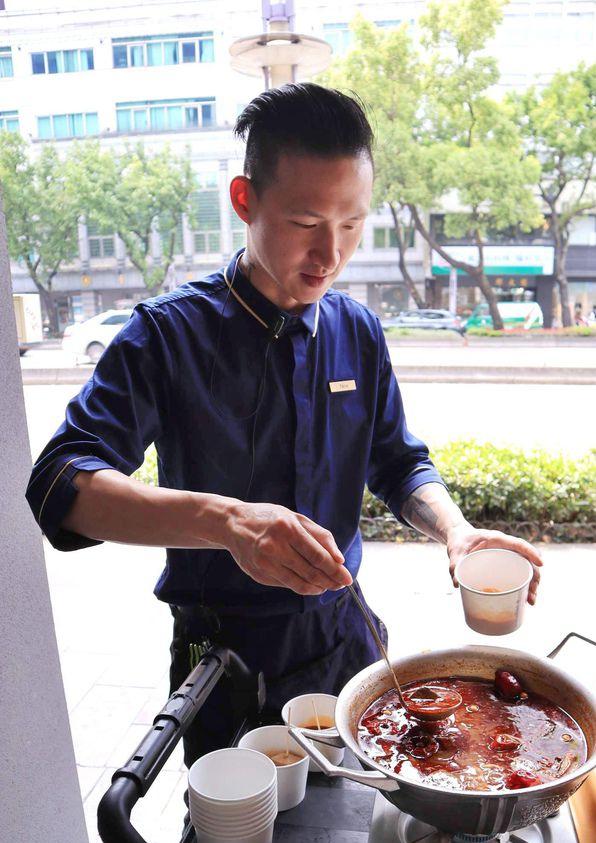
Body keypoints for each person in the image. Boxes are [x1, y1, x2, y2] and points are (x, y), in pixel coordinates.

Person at [26, 83, 542, 766]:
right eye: (305, 223)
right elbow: (59, 485)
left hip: (346, 640)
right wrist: (228, 523)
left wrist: (455, 530)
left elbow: (397, 461)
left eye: (352, 225)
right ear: (245, 201)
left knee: (362, 833)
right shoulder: (167, 335)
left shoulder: (355, 330)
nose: (330, 254)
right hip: (226, 660)